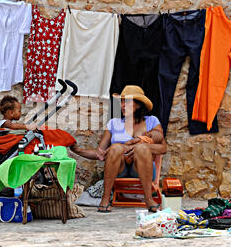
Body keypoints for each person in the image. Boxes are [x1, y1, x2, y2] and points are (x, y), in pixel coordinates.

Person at [71, 85, 167, 213]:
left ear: (138, 104)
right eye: (121, 101)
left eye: (126, 101)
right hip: (119, 168)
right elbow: (100, 153)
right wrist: (77, 150)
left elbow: (163, 148)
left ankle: (148, 199)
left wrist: (137, 145)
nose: (122, 105)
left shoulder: (151, 121)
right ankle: (105, 198)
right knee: (115, 148)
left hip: (141, 168)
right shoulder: (114, 123)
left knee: (142, 149)